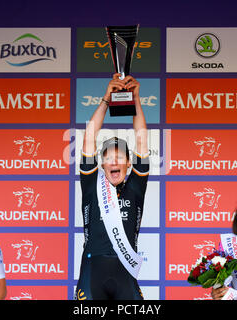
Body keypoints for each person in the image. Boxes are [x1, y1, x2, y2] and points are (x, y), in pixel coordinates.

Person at [75, 73, 149, 300]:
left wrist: (135, 99)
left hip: (125, 271)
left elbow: (142, 138)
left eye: (119, 157)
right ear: (101, 163)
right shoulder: (91, 184)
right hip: (92, 270)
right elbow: (89, 137)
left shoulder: (136, 186)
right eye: (108, 157)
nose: (114, 162)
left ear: (129, 163)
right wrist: (107, 98)